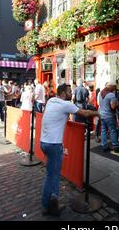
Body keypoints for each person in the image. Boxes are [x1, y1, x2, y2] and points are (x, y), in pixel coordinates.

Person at [40, 84, 100, 216]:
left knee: (52, 174)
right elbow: (84, 113)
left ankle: (51, 203)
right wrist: (97, 113)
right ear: (62, 93)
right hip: (54, 144)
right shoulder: (65, 104)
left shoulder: (51, 100)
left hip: (43, 142)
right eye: (69, 91)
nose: (71, 93)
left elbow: (52, 117)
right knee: (52, 176)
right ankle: (48, 205)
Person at [98, 82, 119, 152]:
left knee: (103, 130)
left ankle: (104, 145)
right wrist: (117, 103)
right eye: (114, 87)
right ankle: (115, 145)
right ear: (111, 87)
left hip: (101, 114)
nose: (115, 89)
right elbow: (113, 106)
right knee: (112, 130)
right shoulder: (111, 95)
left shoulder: (101, 93)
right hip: (109, 116)